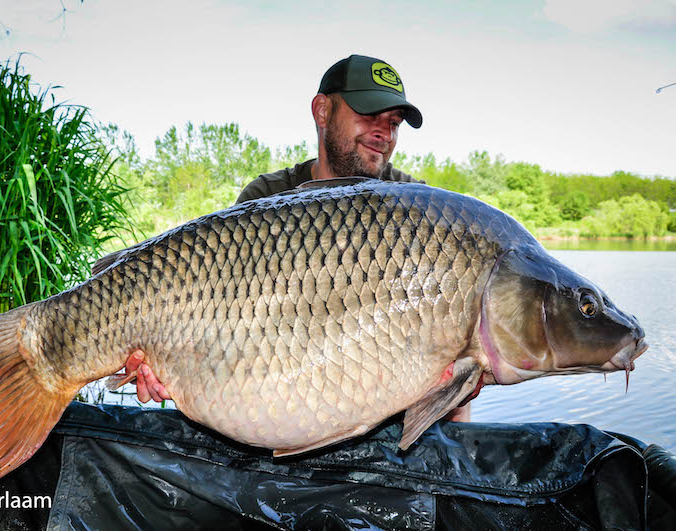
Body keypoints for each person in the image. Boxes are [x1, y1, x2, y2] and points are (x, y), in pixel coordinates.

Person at [122, 54, 472, 421]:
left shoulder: (419, 210)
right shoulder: (267, 197)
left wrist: (461, 394)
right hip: (284, 401)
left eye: (394, 123)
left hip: (380, 411)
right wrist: (170, 365)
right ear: (322, 111)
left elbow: (450, 354)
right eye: (369, 115)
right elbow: (226, 325)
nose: (384, 133)